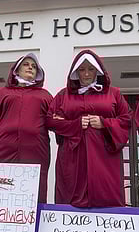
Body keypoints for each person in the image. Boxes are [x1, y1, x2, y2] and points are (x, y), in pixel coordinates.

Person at [46, 49, 131, 208]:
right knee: (70, 198)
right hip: (72, 155)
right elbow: (49, 120)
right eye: (82, 70)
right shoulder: (63, 95)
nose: (86, 74)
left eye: (91, 69)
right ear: (75, 72)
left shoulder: (114, 93)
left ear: (98, 71)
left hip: (104, 155)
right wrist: (74, 124)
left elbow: (127, 119)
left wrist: (104, 123)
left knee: (106, 198)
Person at [0, 53, 53, 203]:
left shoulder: (45, 96)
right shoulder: (3, 94)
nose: (30, 67)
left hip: (35, 152)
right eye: (26, 64)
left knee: (31, 194)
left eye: (34, 66)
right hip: (0, 151)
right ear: (16, 70)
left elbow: (56, 121)